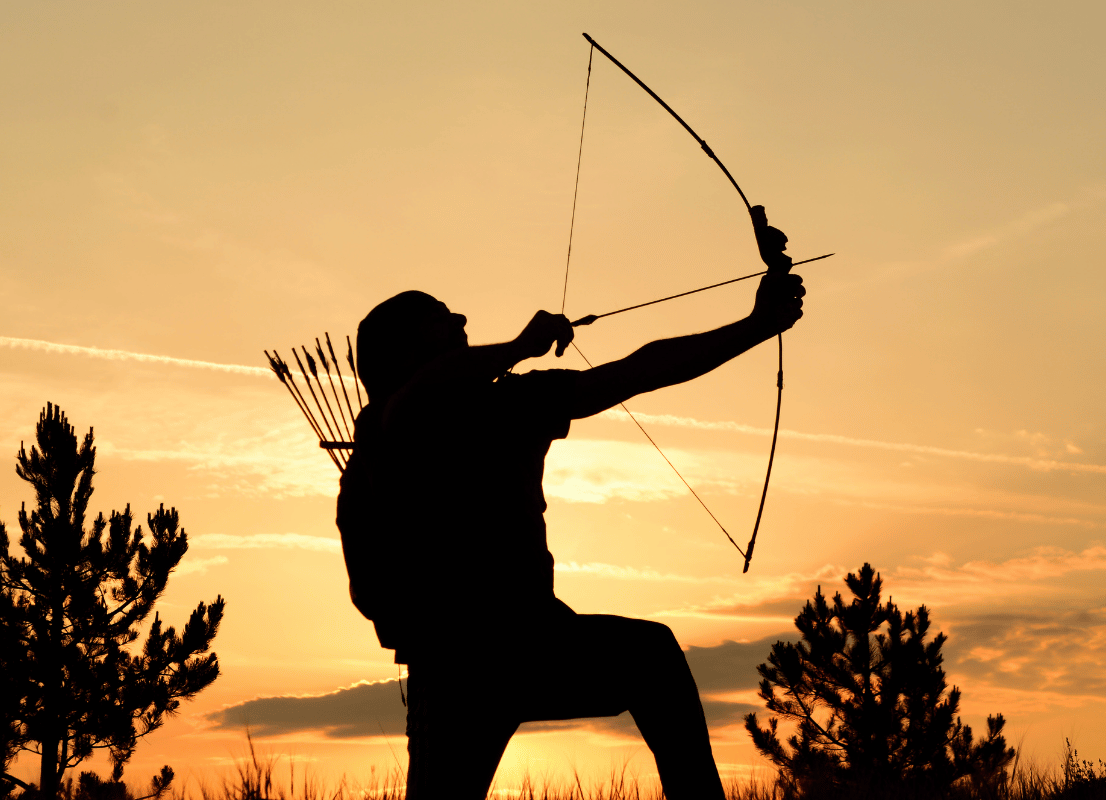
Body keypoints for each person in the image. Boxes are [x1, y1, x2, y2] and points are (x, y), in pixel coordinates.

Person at [336, 208, 805, 800]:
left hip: (524, 647)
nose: (459, 318)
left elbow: (640, 368)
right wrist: (518, 345)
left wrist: (756, 326)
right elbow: (420, 398)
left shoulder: (498, 406)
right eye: (440, 317)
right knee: (649, 657)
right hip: (457, 667)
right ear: (404, 357)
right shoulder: (389, 432)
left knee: (651, 656)